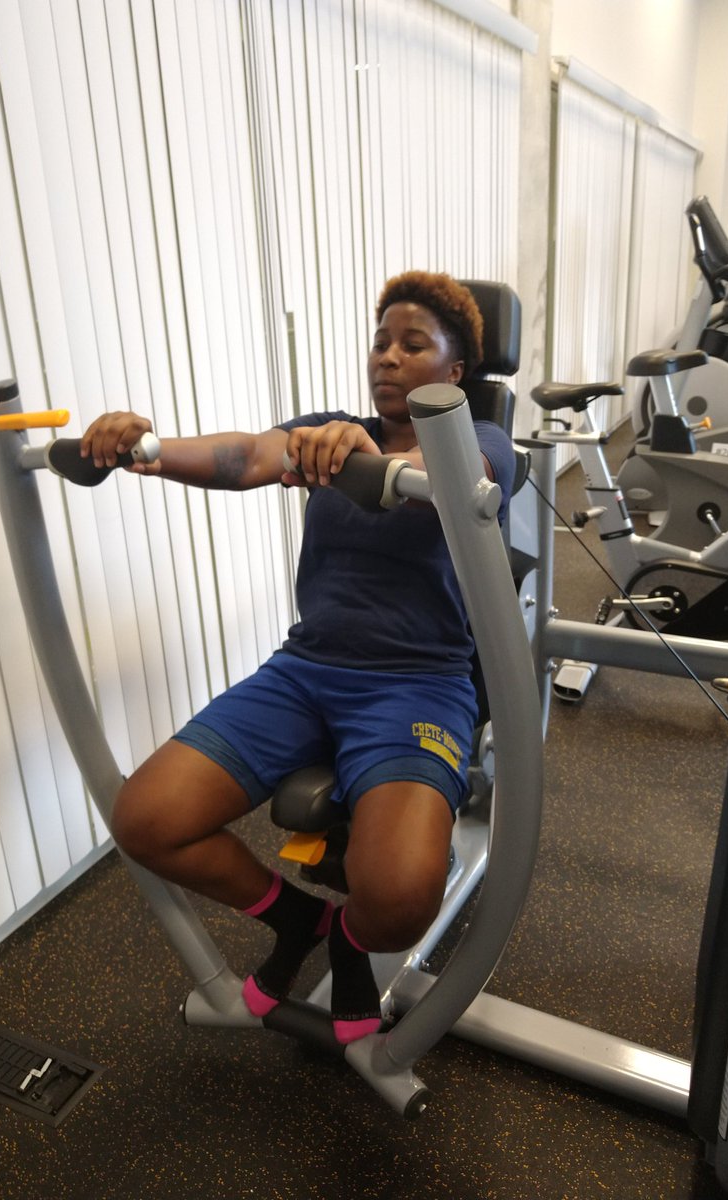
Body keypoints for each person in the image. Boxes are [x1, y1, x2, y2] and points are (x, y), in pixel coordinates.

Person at [81, 271, 516, 1043]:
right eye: (381, 342)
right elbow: (245, 456)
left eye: (414, 344)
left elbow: (465, 484)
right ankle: (303, 923)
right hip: (306, 671)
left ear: (454, 373)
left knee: (402, 899)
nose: (388, 356)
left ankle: (352, 941)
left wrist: (364, 460)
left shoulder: (477, 441)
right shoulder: (328, 431)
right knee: (146, 819)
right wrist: (140, 448)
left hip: (418, 685)